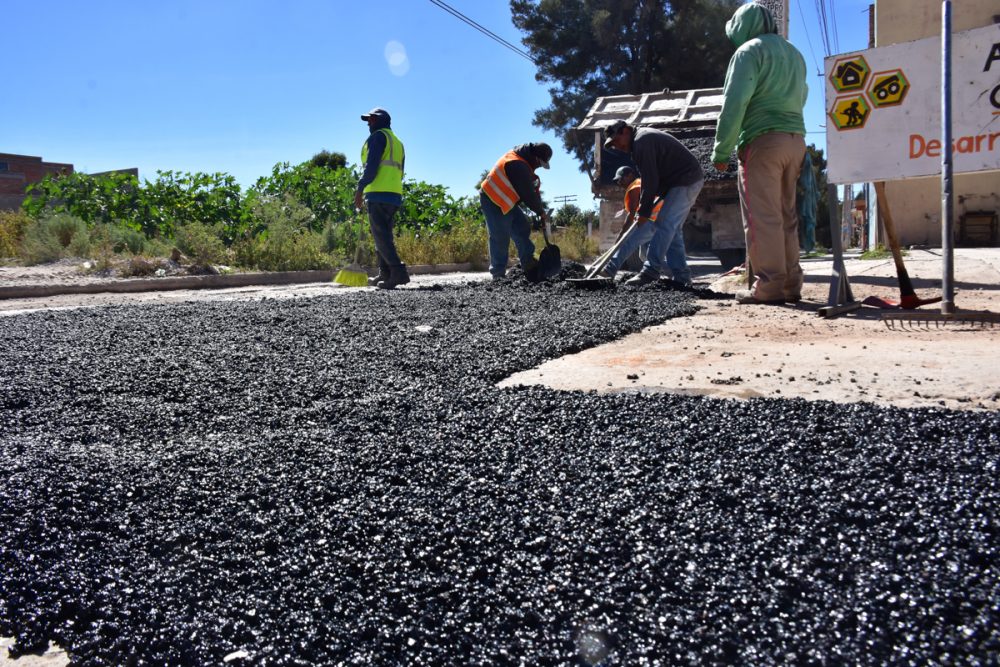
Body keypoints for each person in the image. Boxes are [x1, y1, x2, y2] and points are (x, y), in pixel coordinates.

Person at [712, 3, 808, 304]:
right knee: (786, 215)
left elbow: (734, 103)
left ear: (744, 26)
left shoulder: (748, 52)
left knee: (762, 217)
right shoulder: (793, 53)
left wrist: (722, 150)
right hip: (795, 139)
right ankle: (791, 284)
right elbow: (802, 95)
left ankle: (768, 287)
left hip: (763, 141)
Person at [602, 120, 703, 286]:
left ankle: (650, 271)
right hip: (675, 183)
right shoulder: (639, 143)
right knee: (672, 229)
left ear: (626, 131)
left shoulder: (642, 142)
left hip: (686, 179)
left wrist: (644, 211)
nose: (616, 147)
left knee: (665, 223)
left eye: (616, 141)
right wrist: (645, 209)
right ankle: (682, 278)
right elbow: (653, 178)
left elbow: (650, 180)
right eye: (612, 144)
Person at [479, 143, 551, 279]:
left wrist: (540, 208)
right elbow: (527, 195)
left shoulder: (523, 160)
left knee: (522, 228)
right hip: (492, 198)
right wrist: (540, 212)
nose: (540, 167)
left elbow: (532, 191)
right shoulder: (517, 164)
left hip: (506, 199)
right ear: (536, 158)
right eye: (540, 164)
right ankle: (498, 276)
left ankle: (529, 263)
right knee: (500, 237)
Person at [355, 107, 409, 289]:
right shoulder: (397, 142)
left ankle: (398, 272)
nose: (369, 123)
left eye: (372, 120)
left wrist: (360, 188)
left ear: (380, 121)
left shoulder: (378, 138)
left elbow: (371, 167)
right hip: (394, 194)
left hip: (378, 192)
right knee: (383, 236)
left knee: (381, 237)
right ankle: (385, 273)